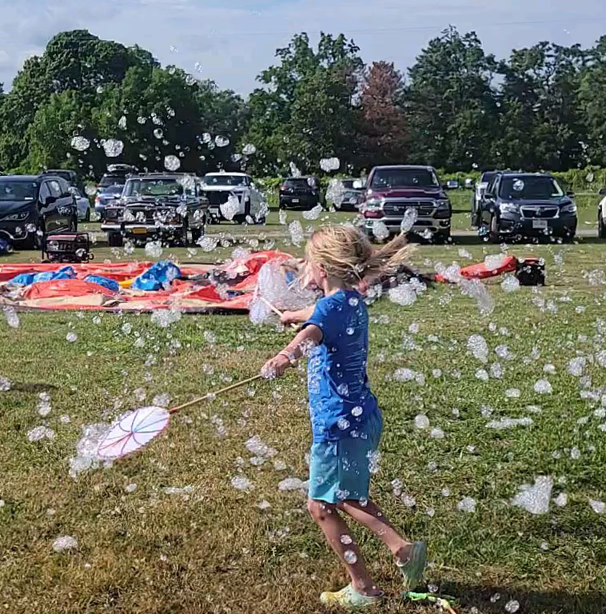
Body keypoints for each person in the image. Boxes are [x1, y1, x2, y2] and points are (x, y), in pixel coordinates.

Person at [262, 226, 427, 609]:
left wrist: (283, 357)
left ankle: (392, 559)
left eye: (307, 263)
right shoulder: (350, 300)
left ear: (321, 268)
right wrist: (294, 314)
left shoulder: (327, 311)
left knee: (324, 504)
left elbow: (309, 336)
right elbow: (319, 316)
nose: (305, 269)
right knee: (341, 498)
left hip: (338, 425)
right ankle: (372, 576)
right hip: (361, 417)